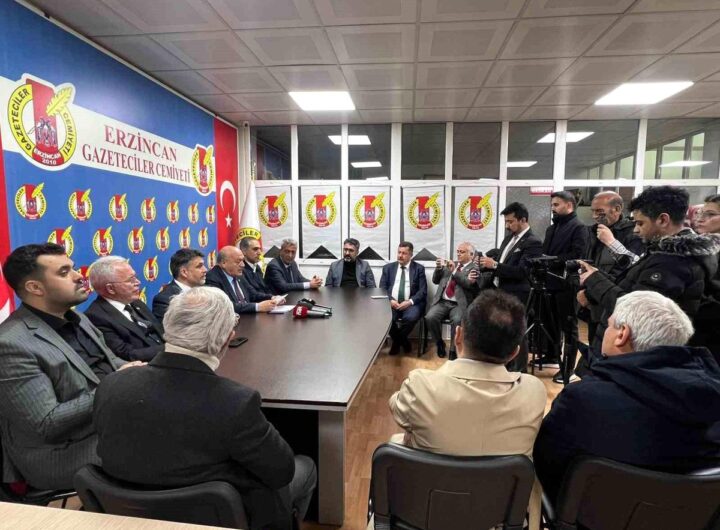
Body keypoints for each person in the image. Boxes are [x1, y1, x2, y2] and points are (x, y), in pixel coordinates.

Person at [94, 287, 317, 530]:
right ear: (227, 338)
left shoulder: (111, 384)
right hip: (216, 515)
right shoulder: (236, 402)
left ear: (168, 327)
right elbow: (281, 471)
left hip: (128, 514)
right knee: (305, 466)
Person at [534, 291, 720, 505]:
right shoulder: (711, 404)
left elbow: (545, 465)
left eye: (608, 325)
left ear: (622, 334)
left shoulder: (582, 400)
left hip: (593, 515)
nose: (605, 331)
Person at [0, 243, 133, 490]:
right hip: (64, 452)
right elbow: (47, 424)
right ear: (35, 288)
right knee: (168, 440)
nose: (79, 276)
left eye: (72, 268)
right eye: (64, 272)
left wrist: (143, 371)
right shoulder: (10, 344)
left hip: (109, 422)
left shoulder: (78, 318)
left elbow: (112, 362)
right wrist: (117, 385)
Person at [390, 289, 546, 455]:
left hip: (430, 473)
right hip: (505, 474)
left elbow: (396, 406)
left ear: (457, 336)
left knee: (397, 441)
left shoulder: (420, 387)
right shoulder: (534, 392)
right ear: (515, 353)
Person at [579, 186, 720, 364]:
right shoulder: (661, 253)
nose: (636, 230)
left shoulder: (673, 262)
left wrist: (594, 280)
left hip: (635, 356)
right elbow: (633, 286)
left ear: (662, 220)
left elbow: (636, 310)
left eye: (640, 223)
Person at [574, 191, 644, 377]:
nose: (595, 216)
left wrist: (611, 242)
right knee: (594, 346)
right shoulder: (593, 231)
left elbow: (627, 270)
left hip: (614, 303)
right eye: (593, 211)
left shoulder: (632, 233)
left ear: (617, 209)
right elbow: (589, 264)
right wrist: (584, 290)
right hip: (593, 303)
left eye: (600, 212)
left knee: (609, 354)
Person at [539, 191, 589, 384]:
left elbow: (578, 254)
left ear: (569, 205)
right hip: (549, 282)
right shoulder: (552, 228)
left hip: (567, 283)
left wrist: (553, 260)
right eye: (552, 205)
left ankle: (567, 369)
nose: (553, 208)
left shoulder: (579, 228)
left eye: (556, 205)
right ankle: (552, 356)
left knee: (568, 327)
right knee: (550, 323)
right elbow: (545, 252)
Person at [85, 256, 164, 362]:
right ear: (110, 288)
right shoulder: (96, 317)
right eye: (131, 280)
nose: (138, 282)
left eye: (135, 277)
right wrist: (169, 349)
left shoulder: (135, 302)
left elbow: (159, 331)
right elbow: (126, 354)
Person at [479, 202, 543, 305]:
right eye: (506, 221)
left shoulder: (533, 242)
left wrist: (494, 265)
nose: (507, 226)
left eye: (510, 222)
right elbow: (502, 262)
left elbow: (522, 272)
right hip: (497, 291)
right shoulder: (508, 238)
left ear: (523, 220)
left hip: (515, 295)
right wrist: (484, 264)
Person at [425, 242, 479, 359]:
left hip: (458, 305)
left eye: (462, 252)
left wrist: (454, 271)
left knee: (458, 320)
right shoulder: (451, 264)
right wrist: (438, 268)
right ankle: (439, 343)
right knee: (430, 317)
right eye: (458, 251)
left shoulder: (474, 268)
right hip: (443, 301)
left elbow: (468, 284)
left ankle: (453, 350)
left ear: (471, 254)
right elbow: (435, 280)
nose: (458, 254)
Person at [379, 242, 427, 356]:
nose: (400, 255)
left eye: (404, 253)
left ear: (411, 255)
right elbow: (382, 288)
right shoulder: (388, 268)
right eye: (399, 252)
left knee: (411, 318)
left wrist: (409, 302)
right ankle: (403, 341)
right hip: (392, 303)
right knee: (385, 318)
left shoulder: (419, 269)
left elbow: (423, 291)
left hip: (411, 304)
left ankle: (396, 342)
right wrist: (390, 300)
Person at [205, 246, 283, 314]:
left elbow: (253, 294)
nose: (243, 265)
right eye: (238, 261)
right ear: (224, 263)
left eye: (242, 260)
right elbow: (224, 306)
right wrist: (258, 307)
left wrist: (272, 297)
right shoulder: (212, 278)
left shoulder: (238, 274)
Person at [152, 248, 207, 322]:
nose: (205, 270)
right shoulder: (165, 300)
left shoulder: (206, 292)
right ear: (184, 272)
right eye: (199, 266)